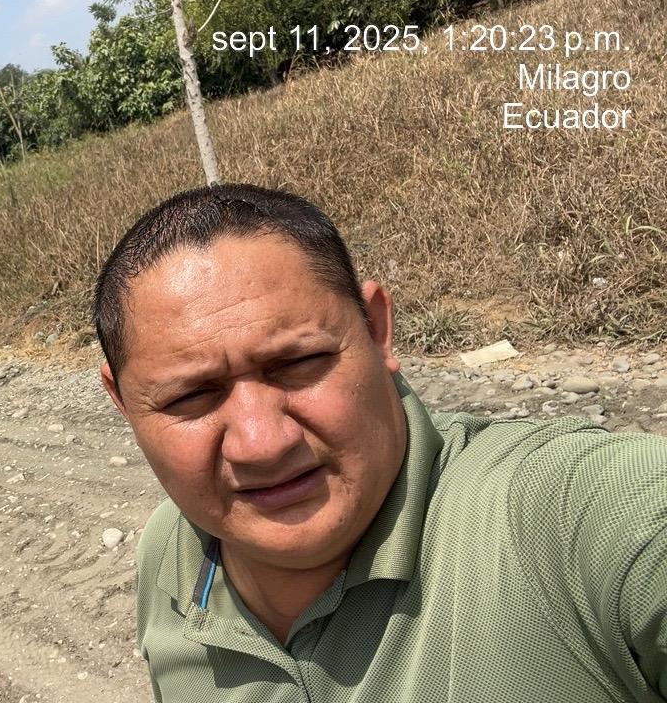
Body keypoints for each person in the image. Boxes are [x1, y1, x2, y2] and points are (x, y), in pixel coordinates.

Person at [92, 183, 666, 702]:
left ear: (376, 329)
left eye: (299, 362)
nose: (262, 443)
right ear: (121, 400)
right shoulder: (171, 553)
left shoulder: (570, 516)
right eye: (190, 395)